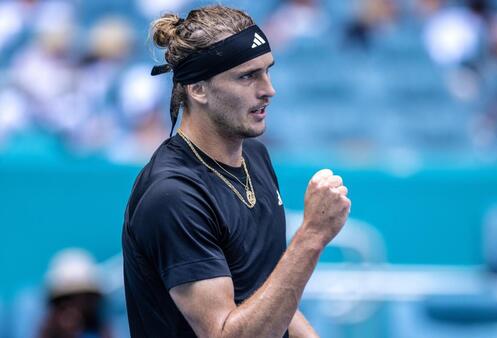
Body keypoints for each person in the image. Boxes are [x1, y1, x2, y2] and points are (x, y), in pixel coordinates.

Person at [121, 5, 351, 338]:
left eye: (267, 71)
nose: (268, 89)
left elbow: (267, 292)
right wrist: (312, 236)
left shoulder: (254, 156)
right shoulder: (172, 196)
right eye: (247, 76)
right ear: (198, 88)